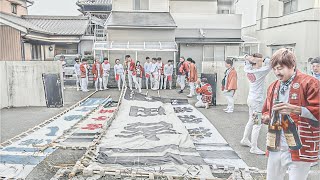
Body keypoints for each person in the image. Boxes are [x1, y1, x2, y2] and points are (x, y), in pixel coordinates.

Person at [261, 48, 319, 180]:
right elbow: (266, 109)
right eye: (274, 69)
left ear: (292, 66)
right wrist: (265, 117)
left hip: (299, 144)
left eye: (280, 68)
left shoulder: (310, 83)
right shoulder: (273, 86)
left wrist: (296, 109)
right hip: (275, 143)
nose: (277, 72)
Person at [240, 53, 271, 155]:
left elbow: (246, 59)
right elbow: (270, 64)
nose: (261, 63)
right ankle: (254, 147)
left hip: (250, 99)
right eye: (259, 61)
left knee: (250, 120)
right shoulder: (260, 71)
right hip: (257, 101)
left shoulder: (247, 68)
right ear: (255, 62)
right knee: (257, 124)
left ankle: (244, 139)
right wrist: (266, 59)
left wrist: (249, 58)